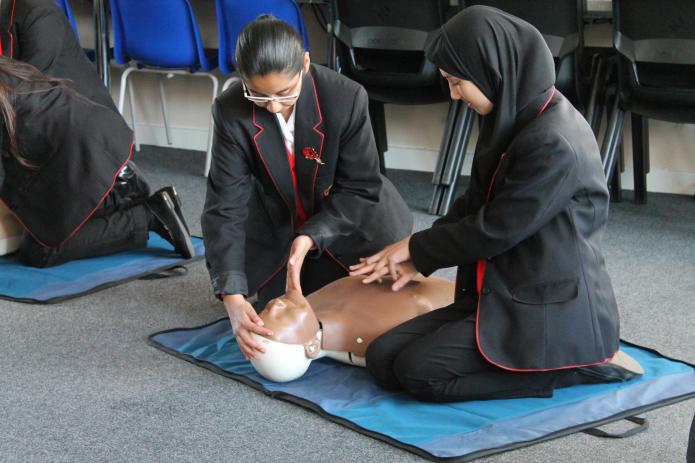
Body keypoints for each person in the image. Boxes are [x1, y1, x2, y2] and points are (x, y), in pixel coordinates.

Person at [350, 6, 643, 403]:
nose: (454, 95)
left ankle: (574, 369)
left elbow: (496, 228)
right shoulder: (514, 115)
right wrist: (417, 253)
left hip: (549, 311)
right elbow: (475, 201)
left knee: (420, 375)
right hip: (502, 291)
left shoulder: (554, 141)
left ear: (493, 68)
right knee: (383, 361)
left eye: (457, 82)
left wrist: (416, 250)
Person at [202, 15, 413, 360]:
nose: (272, 106)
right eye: (258, 95)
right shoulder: (229, 110)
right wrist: (232, 296)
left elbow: (359, 186)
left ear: (305, 63)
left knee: (376, 306)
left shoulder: (345, 98)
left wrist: (312, 235)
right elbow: (225, 206)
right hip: (279, 225)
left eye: (284, 93)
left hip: (353, 220)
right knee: (280, 310)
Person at [0, 57, 193, 266]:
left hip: (83, 157)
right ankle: (123, 193)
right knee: (35, 216)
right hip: (102, 141)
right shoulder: (7, 68)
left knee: (40, 250)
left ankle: (147, 214)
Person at [249, 275, 455, 382]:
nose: (275, 304)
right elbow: (423, 303)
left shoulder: (311, 305)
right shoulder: (368, 333)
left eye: (267, 310)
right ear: (310, 347)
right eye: (281, 316)